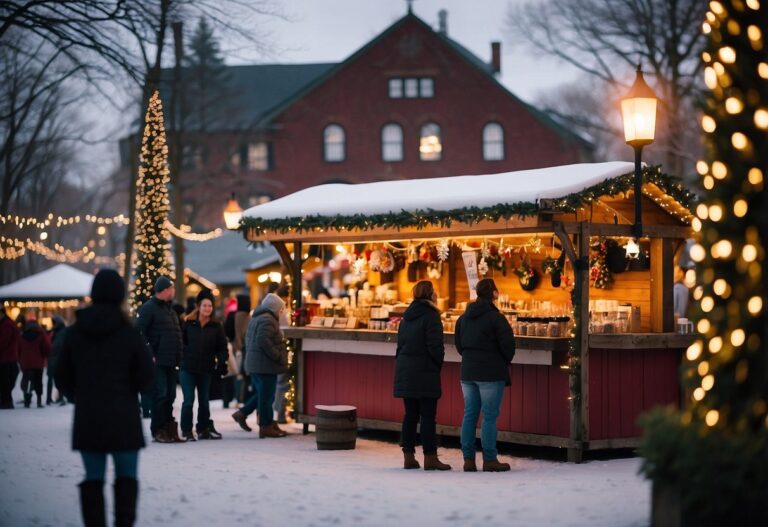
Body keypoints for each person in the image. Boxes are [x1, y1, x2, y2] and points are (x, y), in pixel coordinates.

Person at [56, 269, 154, 527]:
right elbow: (146, 376)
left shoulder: (75, 332)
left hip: (89, 417)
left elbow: (61, 373)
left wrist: (79, 395)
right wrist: (128, 390)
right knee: (126, 478)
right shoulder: (129, 333)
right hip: (124, 417)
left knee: (93, 478)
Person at [455, 278, 516, 472]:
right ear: (494, 294)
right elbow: (508, 345)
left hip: (468, 371)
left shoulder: (463, 318)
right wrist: (503, 361)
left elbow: (459, 345)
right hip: (491, 372)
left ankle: (468, 460)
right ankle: (489, 459)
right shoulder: (496, 318)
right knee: (489, 417)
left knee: (469, 415)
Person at [393, 280, 450, 471]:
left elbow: (400, 346)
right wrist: (436, 365)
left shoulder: (406, 317)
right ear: (430, 295)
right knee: (427, 416)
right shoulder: (432, 316)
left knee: (410, 415)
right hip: (425, 371)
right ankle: (430, 457)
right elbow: (435, 347)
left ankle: (408, 457)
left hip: (406, 370)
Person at [136, 276, 185, 444]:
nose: (173, 291)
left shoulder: (169, 310)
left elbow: (176, 334)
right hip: (158, 362)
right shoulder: (148, 309)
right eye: (171, 288)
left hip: (171, 361)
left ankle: (169, 428)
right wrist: (151, 354)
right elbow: (139, 333)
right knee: (160, 395)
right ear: (164, 290)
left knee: (170, 395)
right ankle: (158, 430)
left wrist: (179, 355)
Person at [231, 293, 288, 438]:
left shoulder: (258, 317)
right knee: (267, 396)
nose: (282, 312)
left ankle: (243, 414)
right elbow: (263, 340)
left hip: (257, 364)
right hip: (264, 365)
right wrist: (277, 355)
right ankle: (265, 425)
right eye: (281, 309)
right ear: (274, 308)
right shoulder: (268, 320)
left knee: (262, 394)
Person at [179, 289, 228, 441]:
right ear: (198, 307)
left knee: (204, 401)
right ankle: (186, 430)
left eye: (210, 306)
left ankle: (202, 428)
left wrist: (221, 362)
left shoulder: (216, 326)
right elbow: (181, 343)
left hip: (206, 369)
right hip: (188, 368)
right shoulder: (188, 323)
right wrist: (183, 356)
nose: (207, 309)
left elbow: (222, 347)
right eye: (204, 305)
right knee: (188, 401)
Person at [18, 312, 51, 408]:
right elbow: (47, 348)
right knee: (38, 381)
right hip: (38, 363)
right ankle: (39, 401)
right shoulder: (41, 334)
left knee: (26, 380)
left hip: (25, 363)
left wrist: (20, 359)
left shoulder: (22, 335)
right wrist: (45, 356)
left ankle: (26, 401)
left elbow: (18, 348)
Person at [273, 284, 291, 423]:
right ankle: (279, 413)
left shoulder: (273, 308)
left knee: (279, 382)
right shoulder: (281, 310)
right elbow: (286, 329)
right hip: (281, 348)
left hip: (275, 349)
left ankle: (278, 412)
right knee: (282, 382)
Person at [0, 305, 20, 409]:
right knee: (7, 380)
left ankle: (6, 401)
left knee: (5, 381)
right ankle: (6, 400)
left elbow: (3, 342)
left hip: (6, 357)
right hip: (9, 357)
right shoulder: (8, 323)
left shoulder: (6, 325)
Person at [46, 316, 67, 405]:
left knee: (56, 379)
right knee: (56, 379)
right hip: (56, 359)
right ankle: (55, 398)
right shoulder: (58, 332)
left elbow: (56, 346)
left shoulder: (59, 332)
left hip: (55, 359)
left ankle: (54, 398)